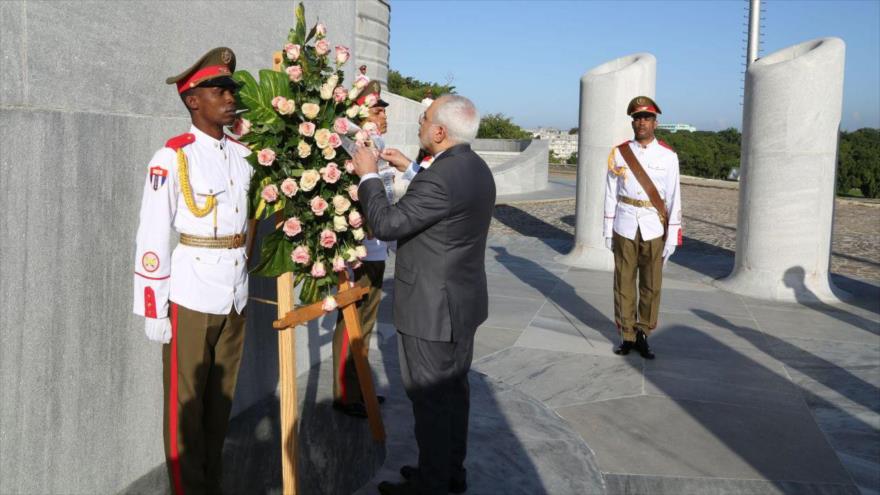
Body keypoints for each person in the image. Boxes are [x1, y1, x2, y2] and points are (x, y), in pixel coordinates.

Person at [352, 95, 495, 495]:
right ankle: (449, 472)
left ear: (439, 131)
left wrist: (367, 176)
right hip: (460, 304)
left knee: (430, 400)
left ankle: (431, 484)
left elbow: (387, 222)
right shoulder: (474, 167)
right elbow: (443, 206)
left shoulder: (441, 177)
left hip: (432, 309)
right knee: (453, 395)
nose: (419, 121)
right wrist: (411, 168)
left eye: (425, 117)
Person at [132, 47, 252, 493]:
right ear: (192, 100)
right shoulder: (172, 157)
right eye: (217, 89)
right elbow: (151, 234)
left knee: (219, 407)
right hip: (191, 293)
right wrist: (153, 308)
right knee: (186, 406)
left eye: (230, 89)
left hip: (235, 293)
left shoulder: (242, 156)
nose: (228, 96)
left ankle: (210, 484)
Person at [604, 96, 682, 360]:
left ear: (655, 123)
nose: (641, 123)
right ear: (633, 122)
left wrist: (672, 234)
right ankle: (626, 334)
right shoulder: (619, 153)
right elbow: (610, 191)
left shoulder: (668, 156)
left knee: (651, 285)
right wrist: (607, 228)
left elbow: (673, 197)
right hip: (625, 224)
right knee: (623, 283)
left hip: (653, 226)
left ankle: (644, 333)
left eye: (646, 118)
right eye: (637, 118)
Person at [331, 80, 392, 418]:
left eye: (383, 110)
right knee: (353, 322)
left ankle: (360, 387)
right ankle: (346, 392)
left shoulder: (377, 144)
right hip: (361, 248)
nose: (383, 116)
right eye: (377, 110)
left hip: (378, 246)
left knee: (366, 324)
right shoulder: (353, 146)